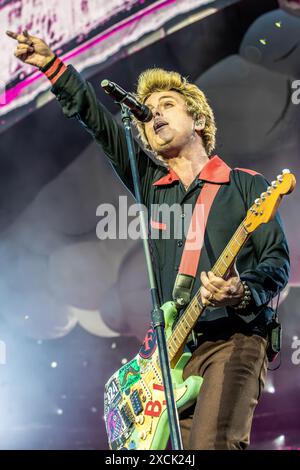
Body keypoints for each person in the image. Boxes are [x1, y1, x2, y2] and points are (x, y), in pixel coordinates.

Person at [6, 30, 290, 450]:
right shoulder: (154, 187)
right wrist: (52, 67)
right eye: (148, 113)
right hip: (172, 353)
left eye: (167, 106)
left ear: (197, 120)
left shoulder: (245, 186)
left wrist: (240, 290)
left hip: (233, 337)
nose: (154, 115)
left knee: (214, 443)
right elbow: (98, 123)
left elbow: (276, 261)